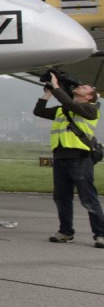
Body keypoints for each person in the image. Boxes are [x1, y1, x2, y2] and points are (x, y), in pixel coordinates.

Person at [33, 72, 104, 248]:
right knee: (61, 198)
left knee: (89, 199)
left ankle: (100, 234)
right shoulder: (62, 110)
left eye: (85, 87)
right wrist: (48, 92)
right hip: (60, 158)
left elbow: (70, 103)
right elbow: (39, 111)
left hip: (80, 158)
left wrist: (57, 86)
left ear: (89, 97)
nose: (80, 86)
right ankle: (66, 232)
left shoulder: (91, 109)